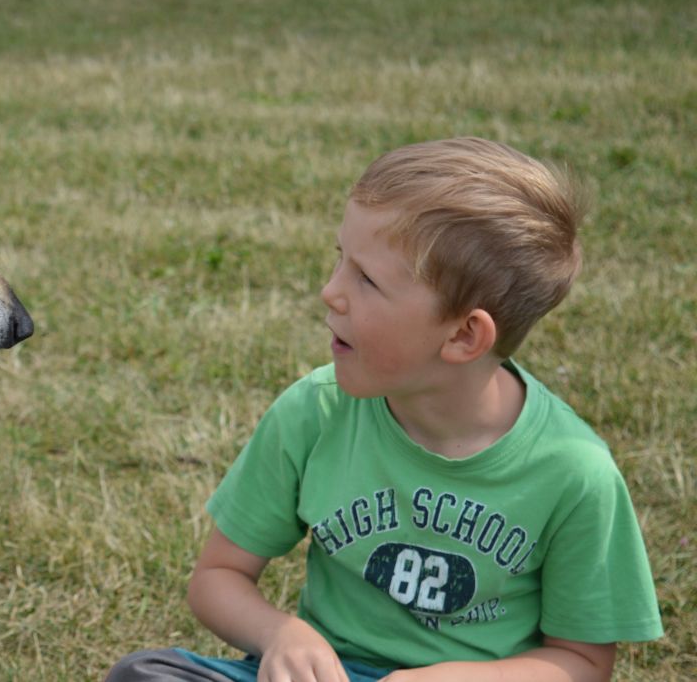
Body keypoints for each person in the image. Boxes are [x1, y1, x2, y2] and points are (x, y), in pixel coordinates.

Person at [105, 138, 663, 682]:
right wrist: (280, 634)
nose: (331, 291)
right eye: (339, 260)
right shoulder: (315, 412)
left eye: (366, 279)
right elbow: (218, 578)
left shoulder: (575, 472)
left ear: (464, 336)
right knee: (143, 675)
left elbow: (582, 661)